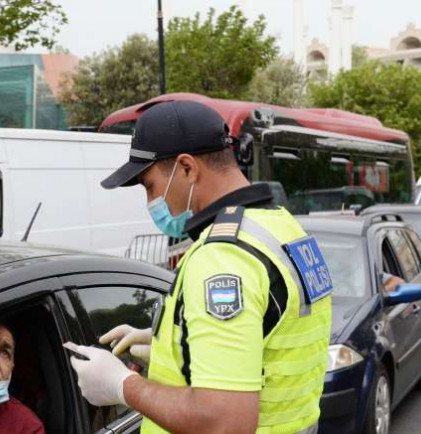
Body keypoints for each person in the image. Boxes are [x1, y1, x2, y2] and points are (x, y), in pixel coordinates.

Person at [65, 101, 333, 434]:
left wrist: (122, 385)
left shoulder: (224, 258)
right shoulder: (281, 227)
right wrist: (170, 342)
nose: (150, 202)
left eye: (149, 186)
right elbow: (269, 331)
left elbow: (226, 422)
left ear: (188, 168)